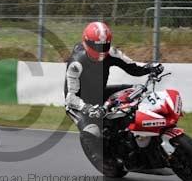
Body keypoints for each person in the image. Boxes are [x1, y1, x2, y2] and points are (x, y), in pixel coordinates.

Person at [64, 21, 163, 172]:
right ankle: (102, 160)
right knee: (92, 130)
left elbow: (133, 68)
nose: (101, 50)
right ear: (86, 43)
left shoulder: (111, 52)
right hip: (78, 103)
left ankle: (137, 137)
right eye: (97, 46)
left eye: (104, 46)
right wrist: (87, 108)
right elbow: (70, 97)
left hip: (100, 93)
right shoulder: (76, 63)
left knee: (134, 91)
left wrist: (151, 68)